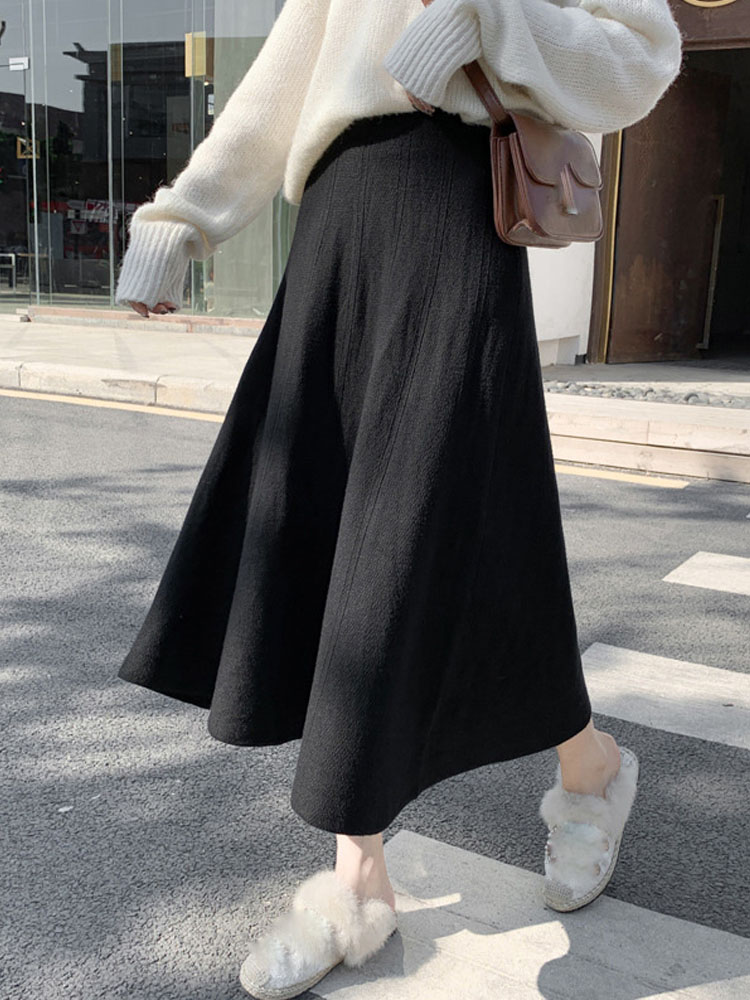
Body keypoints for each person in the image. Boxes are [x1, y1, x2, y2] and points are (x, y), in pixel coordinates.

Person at [114, 0, 683, 996]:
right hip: (339, 227)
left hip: (461, 216)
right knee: (345, 533)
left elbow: (641, 59)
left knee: (433, 536)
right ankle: (365, 877)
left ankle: (584, 772)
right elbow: (283, 79)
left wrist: (487, 21)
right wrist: (182, 218)